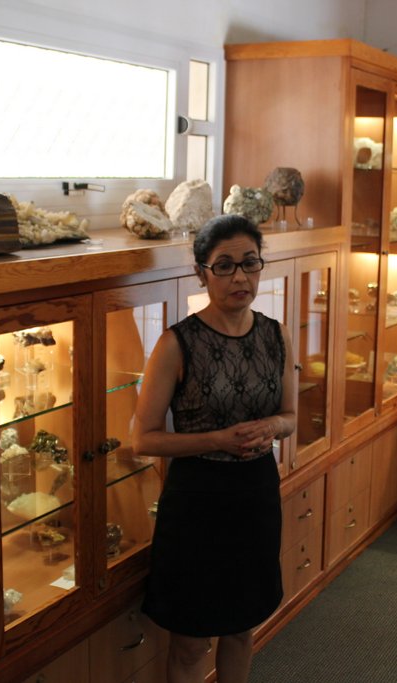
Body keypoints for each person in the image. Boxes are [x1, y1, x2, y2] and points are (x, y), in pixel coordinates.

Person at [133, 214, 297, 683]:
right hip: (197, 500)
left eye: (250, 263)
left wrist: (272, 426)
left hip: (256, 494)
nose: (240, 277)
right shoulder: (176, 343)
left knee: (242, 628)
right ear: (201, 273)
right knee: (190, 641)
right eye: (224, 266)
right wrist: (217, 440)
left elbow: (290, 417)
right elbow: (144, 438)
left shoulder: (276, 334)